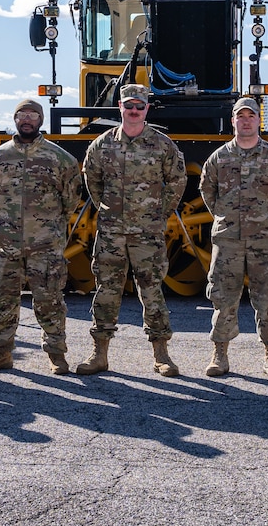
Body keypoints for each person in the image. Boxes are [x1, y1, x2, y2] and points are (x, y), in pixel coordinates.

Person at [77, 83, 187, 377]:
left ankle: (162, 355)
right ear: (121, 108)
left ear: (147, 109)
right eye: (129, 106)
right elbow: (93, 180)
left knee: (152, 291)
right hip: (112, 232)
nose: (134, 111)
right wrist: (106, 209)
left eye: (140, 106)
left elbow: (177, 180)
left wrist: (159, 212)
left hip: (146, 233)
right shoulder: (102, 144)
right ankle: (99, 354)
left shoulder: (162, 144)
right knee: (106, 291)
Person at [0, 98, 82, 374]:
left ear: (40, 120)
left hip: (45, 246)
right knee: (3, 302)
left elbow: (70, 201)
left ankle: (57, 355)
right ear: (15, 119)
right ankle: (1, 353)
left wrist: (47, 228)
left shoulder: (60, 159)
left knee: (50, 302)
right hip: (6, 247)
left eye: (32, 114)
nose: (27, 119)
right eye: (21, 114)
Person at [196, 96, 268, 378]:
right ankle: (220, 354)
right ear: (233, 121)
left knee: (267, 299)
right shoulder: (219, 157)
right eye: (241, 116)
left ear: (258, 120)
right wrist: (225, 216)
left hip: (264, 241)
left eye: (251, 116)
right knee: (223, 297)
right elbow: (207, 190)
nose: (246, 120)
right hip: (228, 240)